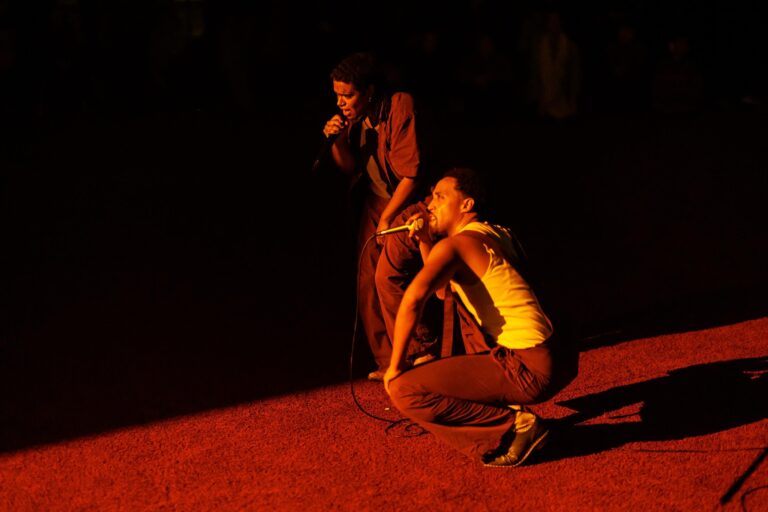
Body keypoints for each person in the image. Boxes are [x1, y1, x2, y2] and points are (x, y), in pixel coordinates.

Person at [384, 167, 578, 467]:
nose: (430, 205)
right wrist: (425, 240)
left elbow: (413, 300)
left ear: (466, 204)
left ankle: (516, 429)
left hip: (530, 366)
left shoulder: (455, 245)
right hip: (559, 356)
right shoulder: (494, 232)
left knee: (404, 390)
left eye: (440, 196)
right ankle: (514, 418)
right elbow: (441, 292)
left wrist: (394, 367)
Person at [322, 52, 437, 380]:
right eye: (337, 96)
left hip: (408, 201)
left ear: (369, 91)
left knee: (388, 274)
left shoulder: (400, 105)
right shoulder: (356, 118)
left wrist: (388, 218)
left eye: (348, 95)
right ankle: (389, 361)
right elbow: (348, 167)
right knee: (367, 280)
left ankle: (420, 351)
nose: (342, 103)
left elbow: (412, 175)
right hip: (376, 201)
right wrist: (338, 141)